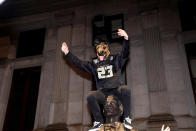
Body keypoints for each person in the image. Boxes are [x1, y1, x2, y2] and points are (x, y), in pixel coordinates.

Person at [61, 29, 132, 131]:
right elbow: (80, 64)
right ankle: (98, 121)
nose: (101, 57)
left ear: (107, 51)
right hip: (103, 93)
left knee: (126, 89)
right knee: (91, 96)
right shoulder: (94, 65)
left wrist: (126, 39)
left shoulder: (114, 61)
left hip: (116, 91)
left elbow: (125, 53)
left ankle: (127, 118)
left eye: (103, 55)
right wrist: (67, 53)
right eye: (99, 55)